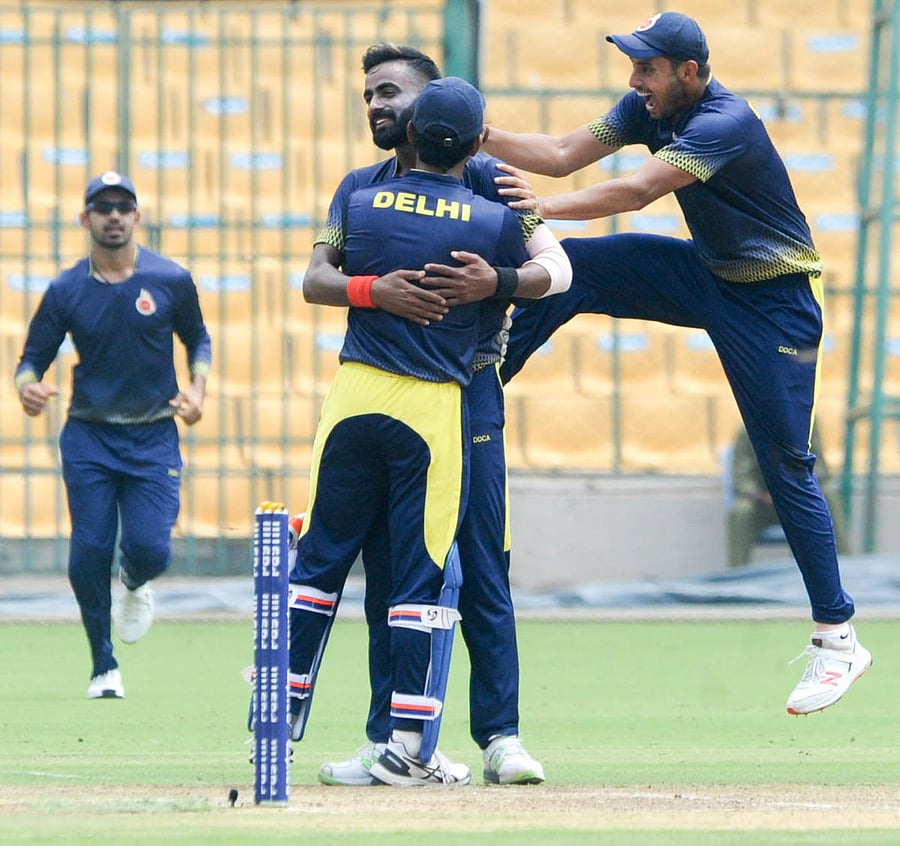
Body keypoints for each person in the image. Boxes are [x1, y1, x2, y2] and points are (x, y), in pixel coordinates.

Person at [477, 11, 872, 716]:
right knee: (577, 273)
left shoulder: (724, 123)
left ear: (689, 72)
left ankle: (838, 638)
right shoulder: (644, 105)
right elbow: (565, 150)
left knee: (784, 463)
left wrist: (541, 210)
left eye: (647, 69)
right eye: (634, 68)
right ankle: (480, 384)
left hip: (775, 307)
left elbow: (633, 193)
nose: (635, 81)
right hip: (708, 275)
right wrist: (476, 137)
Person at [305, 43, 570, 786]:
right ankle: (394, 738)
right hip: (389, 393)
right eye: (369, 96)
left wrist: (502, 281)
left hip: (470, 391)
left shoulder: (485, 178)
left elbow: (559, 268)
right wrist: (373, 290)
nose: (377, 106)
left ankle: (501, 736)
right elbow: (315, 278)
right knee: (391, 571)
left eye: (390, 92)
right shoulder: (360, 187)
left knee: (483, 558)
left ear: (428, 108)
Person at [14, 171, 210, 699]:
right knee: (87, 550)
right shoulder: (66, 289)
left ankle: (134, 581)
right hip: (89, 437)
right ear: (86, 220)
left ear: (138, 217)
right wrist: (28, 387)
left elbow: (199, 341)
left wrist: (197, 390)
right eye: (103, 208)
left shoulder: (170, 280)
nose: (115, 215)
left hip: (153, 436)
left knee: (152, 550)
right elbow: (31, 360)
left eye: (124, 206)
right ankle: (103, 664)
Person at [727, 425, 849, 568]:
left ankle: (843, 563)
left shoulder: (807, 424)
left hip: (801, 498)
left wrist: (802, 489)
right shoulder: (749, 426)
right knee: (741, 512)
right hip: (765, 502)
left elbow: (819, 467)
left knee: (829, 494)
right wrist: (760, 495)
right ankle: (737, 571)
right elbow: (742, 475)